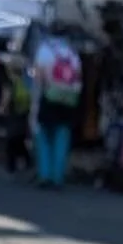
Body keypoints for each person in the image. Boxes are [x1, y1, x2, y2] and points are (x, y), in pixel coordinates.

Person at [30, 27, 82, 189]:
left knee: (44, 136)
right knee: (62, 136)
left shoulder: (44, 50)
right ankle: (58, 176)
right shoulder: (72, 54)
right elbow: (78, 79)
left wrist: (35, 102)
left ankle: (44, 174)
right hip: (69, 99)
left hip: (49, 96)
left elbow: (38, 79)